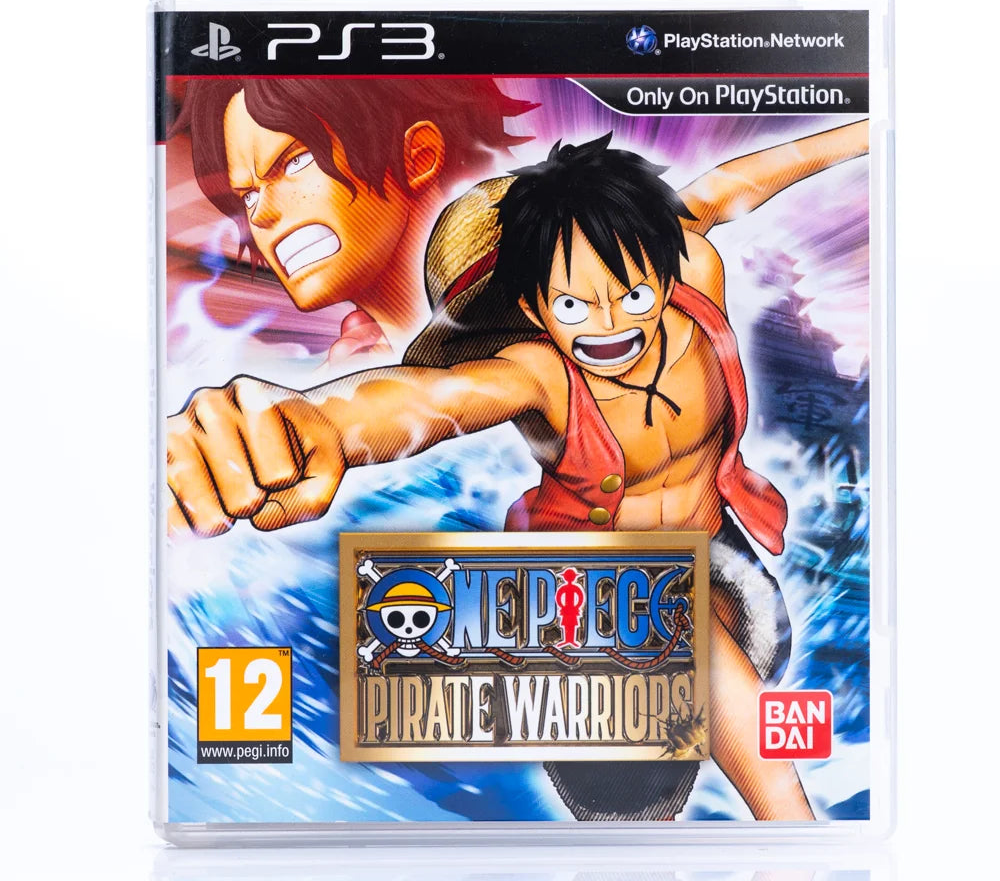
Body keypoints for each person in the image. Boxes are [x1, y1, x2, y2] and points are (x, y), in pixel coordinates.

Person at [165, 122, 868, 820]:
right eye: (572, 306)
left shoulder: (694, 268)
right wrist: (308, 428)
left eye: (631, 294)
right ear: (532, 308)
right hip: (595, 611)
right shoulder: (538, 375)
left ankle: (789, 835)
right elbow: (422, 401)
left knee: (702, 639)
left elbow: (754, 173)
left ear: (662, 267)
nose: (609, 325)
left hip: (724, 566)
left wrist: (879, 127)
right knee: (632, 803)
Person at [170, 77, 535, 356]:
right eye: (249, 195)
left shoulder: (541, 314)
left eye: (295, 162)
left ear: (418, 157)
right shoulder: (356, 366)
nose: (261, 215)